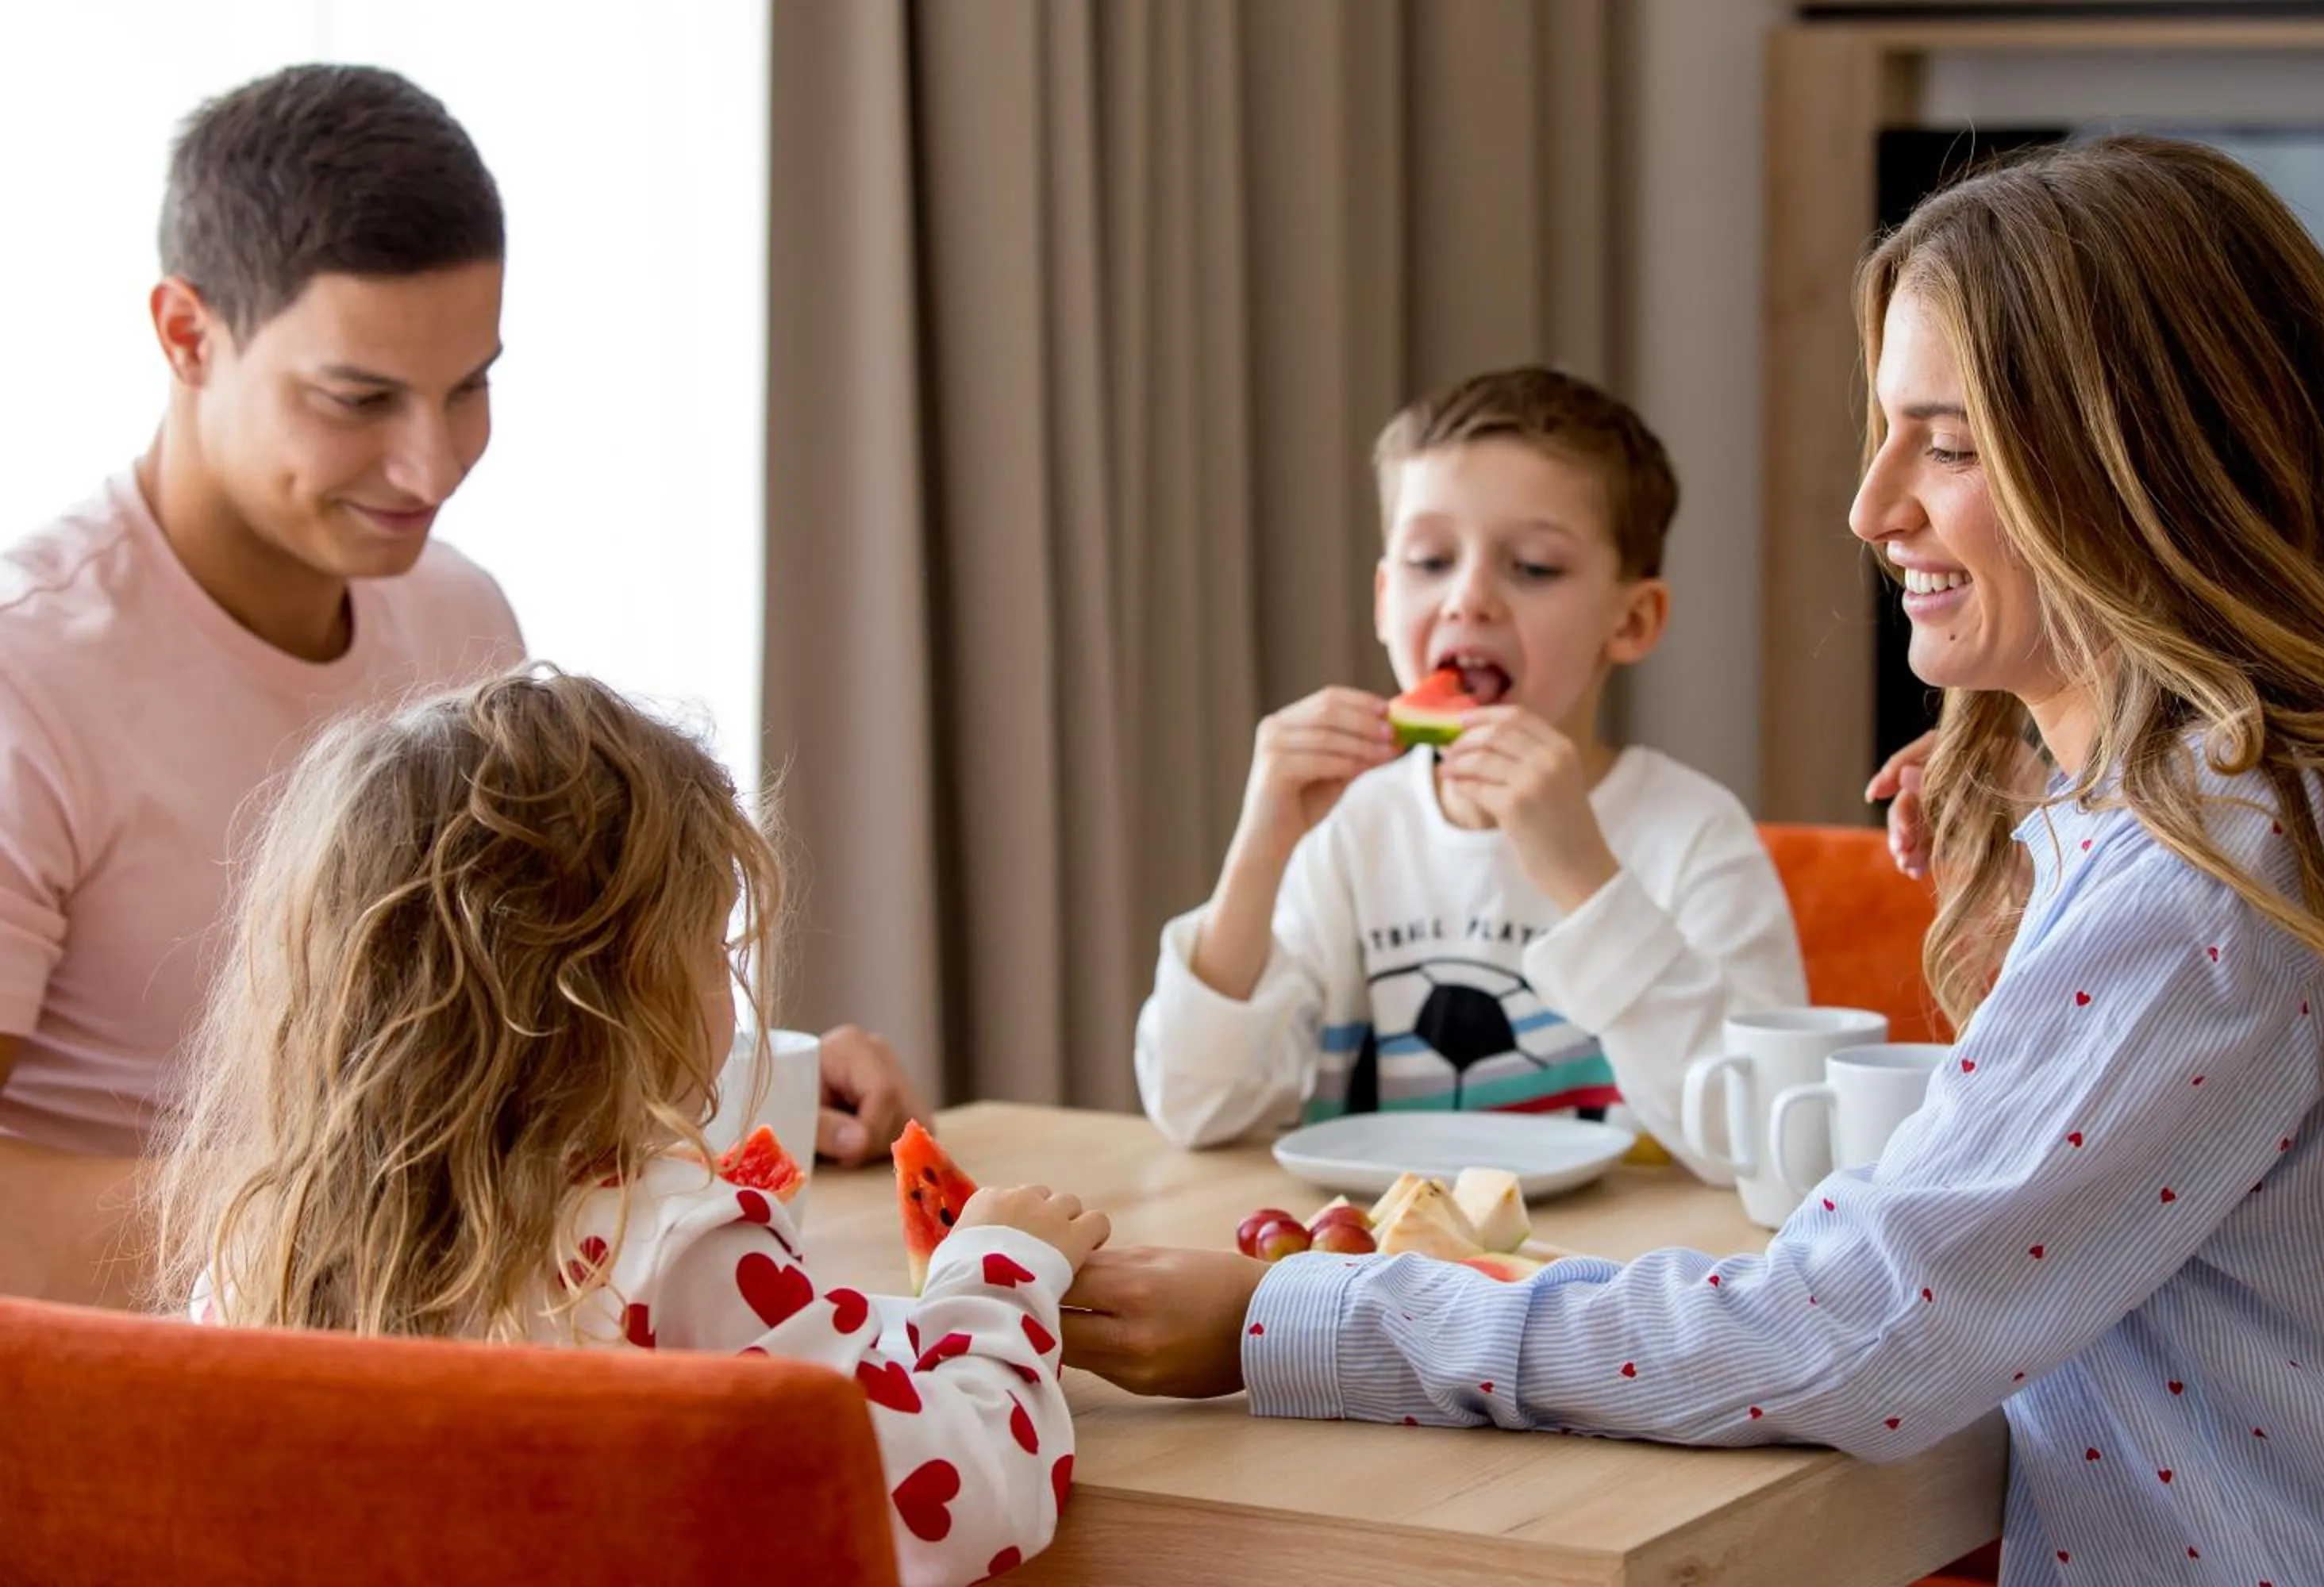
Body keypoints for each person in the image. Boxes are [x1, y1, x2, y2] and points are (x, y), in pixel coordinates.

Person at [1064, 136, 2324, 1584]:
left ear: (2154, 469)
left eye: (1947, 446)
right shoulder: (2251, 818)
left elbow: (1846, 1332)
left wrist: (1292, 1317)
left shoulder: (2201, 883)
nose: (1871, 511)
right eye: (1887, 435)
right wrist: (2042, 819)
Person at [0, 65, 922, 1305]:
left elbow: (498, 1021)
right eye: (358, 399)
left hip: (425, 1357)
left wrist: (736, 1081)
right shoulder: (32, 676)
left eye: (470, 385)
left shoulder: (454, 611)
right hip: (155, 1406)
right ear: (185, 333)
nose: (431, 464)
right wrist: (373, 1187)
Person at [152, 669, 1099, 1587]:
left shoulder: (259, 1245)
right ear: (617, 988)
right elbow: (965, 1502)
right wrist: (997, 1275)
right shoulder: (681, 1242)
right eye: (712, 946)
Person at [1133, 367, 1805, 1182]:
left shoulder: (1692, 833)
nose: (1469, 598)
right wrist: (1260, 849)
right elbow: (1196, 1107)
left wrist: (1584, 876)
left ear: (1631, 619)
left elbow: (1764, 1141)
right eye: (1430, 559)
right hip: (1371, 1271)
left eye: (1533, 567)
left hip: (1612, 1279)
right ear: (1385, 600)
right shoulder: (1353, 828)